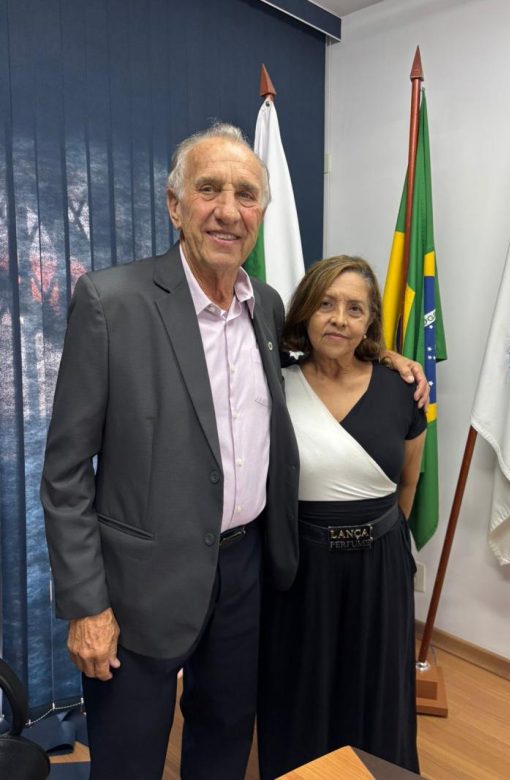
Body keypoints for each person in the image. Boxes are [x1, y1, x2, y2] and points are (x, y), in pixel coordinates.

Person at [41, 124, 429, 780]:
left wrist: (387, 358)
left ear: (261, 213)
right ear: (175, 206)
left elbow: (326, 355)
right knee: (130, 757)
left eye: (246, 195)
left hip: (247, 575)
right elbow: (65, 473)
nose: (228, 210)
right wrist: (86, 606)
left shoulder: (265, 308)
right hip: (142, 587)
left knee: (223, 746)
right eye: (209, 190)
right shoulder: (113, 302)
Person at [257, 255, 427, 778]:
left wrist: (376, 542)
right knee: (300, 689)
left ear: (369, 321)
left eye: (355, 309)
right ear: (305, 311)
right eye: (326, 304)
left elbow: (408, 483)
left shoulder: (402, 389)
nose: (339, 319)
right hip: (301, 566)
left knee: (377, 690)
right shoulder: (274, 386)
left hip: (380, 566)